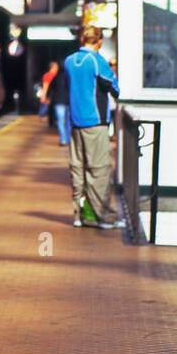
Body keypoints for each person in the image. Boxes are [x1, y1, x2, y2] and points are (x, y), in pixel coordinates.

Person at [65, 27, 120, 229]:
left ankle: (79, 216)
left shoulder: (69, 61)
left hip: (75, 122)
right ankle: (103, 217)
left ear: (82, 38)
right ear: (99, 42)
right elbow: (114, 88)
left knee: (77, 168)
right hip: (95, 122)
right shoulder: (98, 61)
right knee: (99, 170)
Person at [46, 56, 72, 146]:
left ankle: (63, 140)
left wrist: (48, 97)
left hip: (58, 102)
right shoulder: (70, 78)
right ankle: (68, 139)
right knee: (68, 122)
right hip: (68, 101)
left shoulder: (56, 77)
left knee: (61, 121)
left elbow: (50, 88)